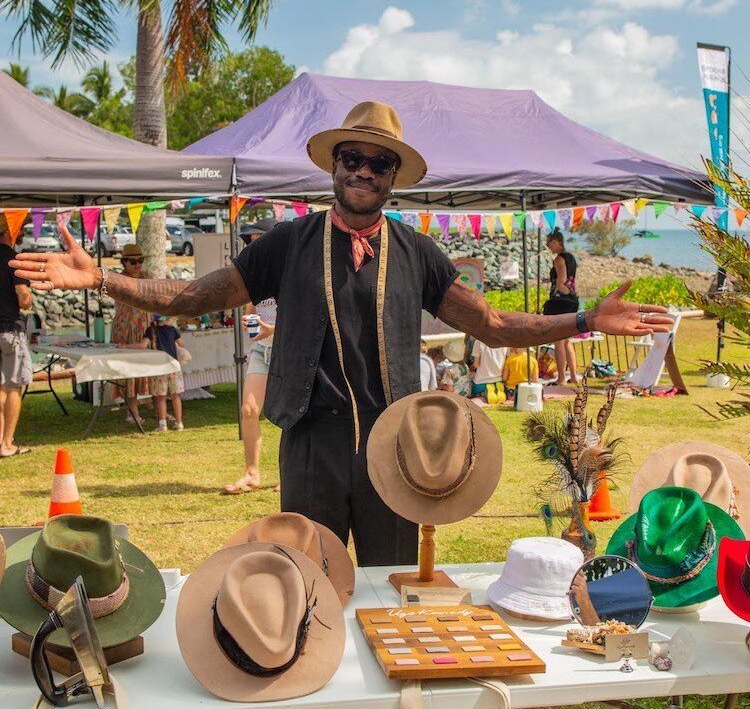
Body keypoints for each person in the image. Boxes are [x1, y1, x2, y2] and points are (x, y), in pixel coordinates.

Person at [12, 101, 674, 566]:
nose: (363, 170)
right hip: (310, 447)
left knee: (388, 587)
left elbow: (495, 325)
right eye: (352, 158)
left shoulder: (418, 253)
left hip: (395, 450)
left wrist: (583, 319)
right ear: (335, 166)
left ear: (392, 177)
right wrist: (102, 280)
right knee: (310, 584)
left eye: (378, 163)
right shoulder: (288, 243)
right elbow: (190, 296)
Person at [223, 218, 280, 495]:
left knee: (288, 417)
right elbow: (250, 312)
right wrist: (250, 321)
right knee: (248, 410)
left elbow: (307, 321)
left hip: (286, 348)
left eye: (260, 244)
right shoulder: (256, 279)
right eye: (253, 245)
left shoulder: (291, 275)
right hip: (261, 348)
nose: (255, 250)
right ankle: (252, 474)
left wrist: (273, 329)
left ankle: (289, 476)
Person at [0, 216, 32, 457]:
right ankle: (7, 443)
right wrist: (29, 298)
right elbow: (23, 298)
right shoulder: (13, 259)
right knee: (13, 387)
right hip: (10, 330)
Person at [121, 315, 185, 431]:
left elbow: (142, 346)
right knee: (176, 396)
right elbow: (181, 343)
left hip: (160, 367)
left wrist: (125, 346)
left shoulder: (151, 330)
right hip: (174, 366)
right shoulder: (172, 330)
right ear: (168, 319)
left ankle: (162, 425)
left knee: (161, 397)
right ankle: (179, 423)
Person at [110, 245, 151, 426]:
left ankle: (148, 406)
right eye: (133, 262)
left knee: (145, 370)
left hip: (144, 328)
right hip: (125, 330)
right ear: (124, 262)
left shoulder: (147, 277)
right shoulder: (118, 280)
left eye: (140, 261)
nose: (137, 265)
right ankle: (132, 411)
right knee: (128, 372)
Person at [543, 228, 580, 386]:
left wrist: (556, 291)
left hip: (562, 301)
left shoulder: (558, 259)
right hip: (573, 299)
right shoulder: (571, 257)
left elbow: (562, 280)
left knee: (558, 340)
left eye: (549, 242)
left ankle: (561, 378)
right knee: (566, 341)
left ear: (557, 242)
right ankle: (573, 375)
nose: (548, 245)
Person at [471, 339, 507, 404]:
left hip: (481, 382)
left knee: (471, 377)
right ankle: (497, 391)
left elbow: (476, 365)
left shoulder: (479, 341)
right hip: (499, 380)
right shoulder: (504, 340)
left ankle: (485, 392)